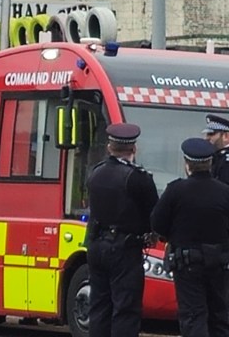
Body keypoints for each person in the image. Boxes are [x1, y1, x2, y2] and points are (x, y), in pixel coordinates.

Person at [86, 122, 159, 337]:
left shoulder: (95, 172)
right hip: (125, 249)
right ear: (133, 149)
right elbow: (154, 214)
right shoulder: (138, 177)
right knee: (125, 308)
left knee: (99, 305)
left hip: (96, 245)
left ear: (110, 147)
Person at [151, 137, 229, 337]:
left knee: (193, 316)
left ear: (187, 164)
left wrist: (172, 236)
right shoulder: (224, 192)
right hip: (220, 264)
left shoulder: (176, 190)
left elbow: (157, 223)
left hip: (187, 263)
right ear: (210, 164)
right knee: (219, 317)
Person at [203, 114, 229, 185]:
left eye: (211, 134)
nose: (206, 138)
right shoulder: (215, 156)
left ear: (226, 136)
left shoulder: (226, 160)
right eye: (206, 134)